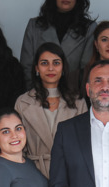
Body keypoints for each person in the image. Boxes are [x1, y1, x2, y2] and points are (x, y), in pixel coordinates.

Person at [14, 43, 88, 178]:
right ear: (36, 68)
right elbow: (17, 147)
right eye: (44, 63)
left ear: (63, 67)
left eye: (56, 63)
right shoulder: (23, 102)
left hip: (70, 175)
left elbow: (84, 145)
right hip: (33, 174)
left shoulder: (78, 102)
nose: (50, 68)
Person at [20, 0, 97, 90]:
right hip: (39, 92)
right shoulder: (34, 25)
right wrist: (35, 93)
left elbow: (86, 69)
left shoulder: (89, 28)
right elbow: (26, 66)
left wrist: (74, 96)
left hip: (74, 94)